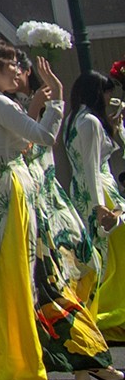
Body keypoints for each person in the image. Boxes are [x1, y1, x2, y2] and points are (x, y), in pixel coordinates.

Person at [0, 41, 115, 380]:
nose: (18, 71)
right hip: (14, 192)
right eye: (13, 64)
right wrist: (56, 97)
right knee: (23, 278)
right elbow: (44, 137)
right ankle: (14, 361)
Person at [61, 70, 125, 343]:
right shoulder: (90, 122)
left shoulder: (72, 121)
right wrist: (101, 205)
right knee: (111, 257)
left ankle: (104, 314)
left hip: (82, 192)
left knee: (96, 256)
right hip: (101, 191)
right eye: (106, 91)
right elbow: (92, 164)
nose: (109, 96)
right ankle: (106, 315)